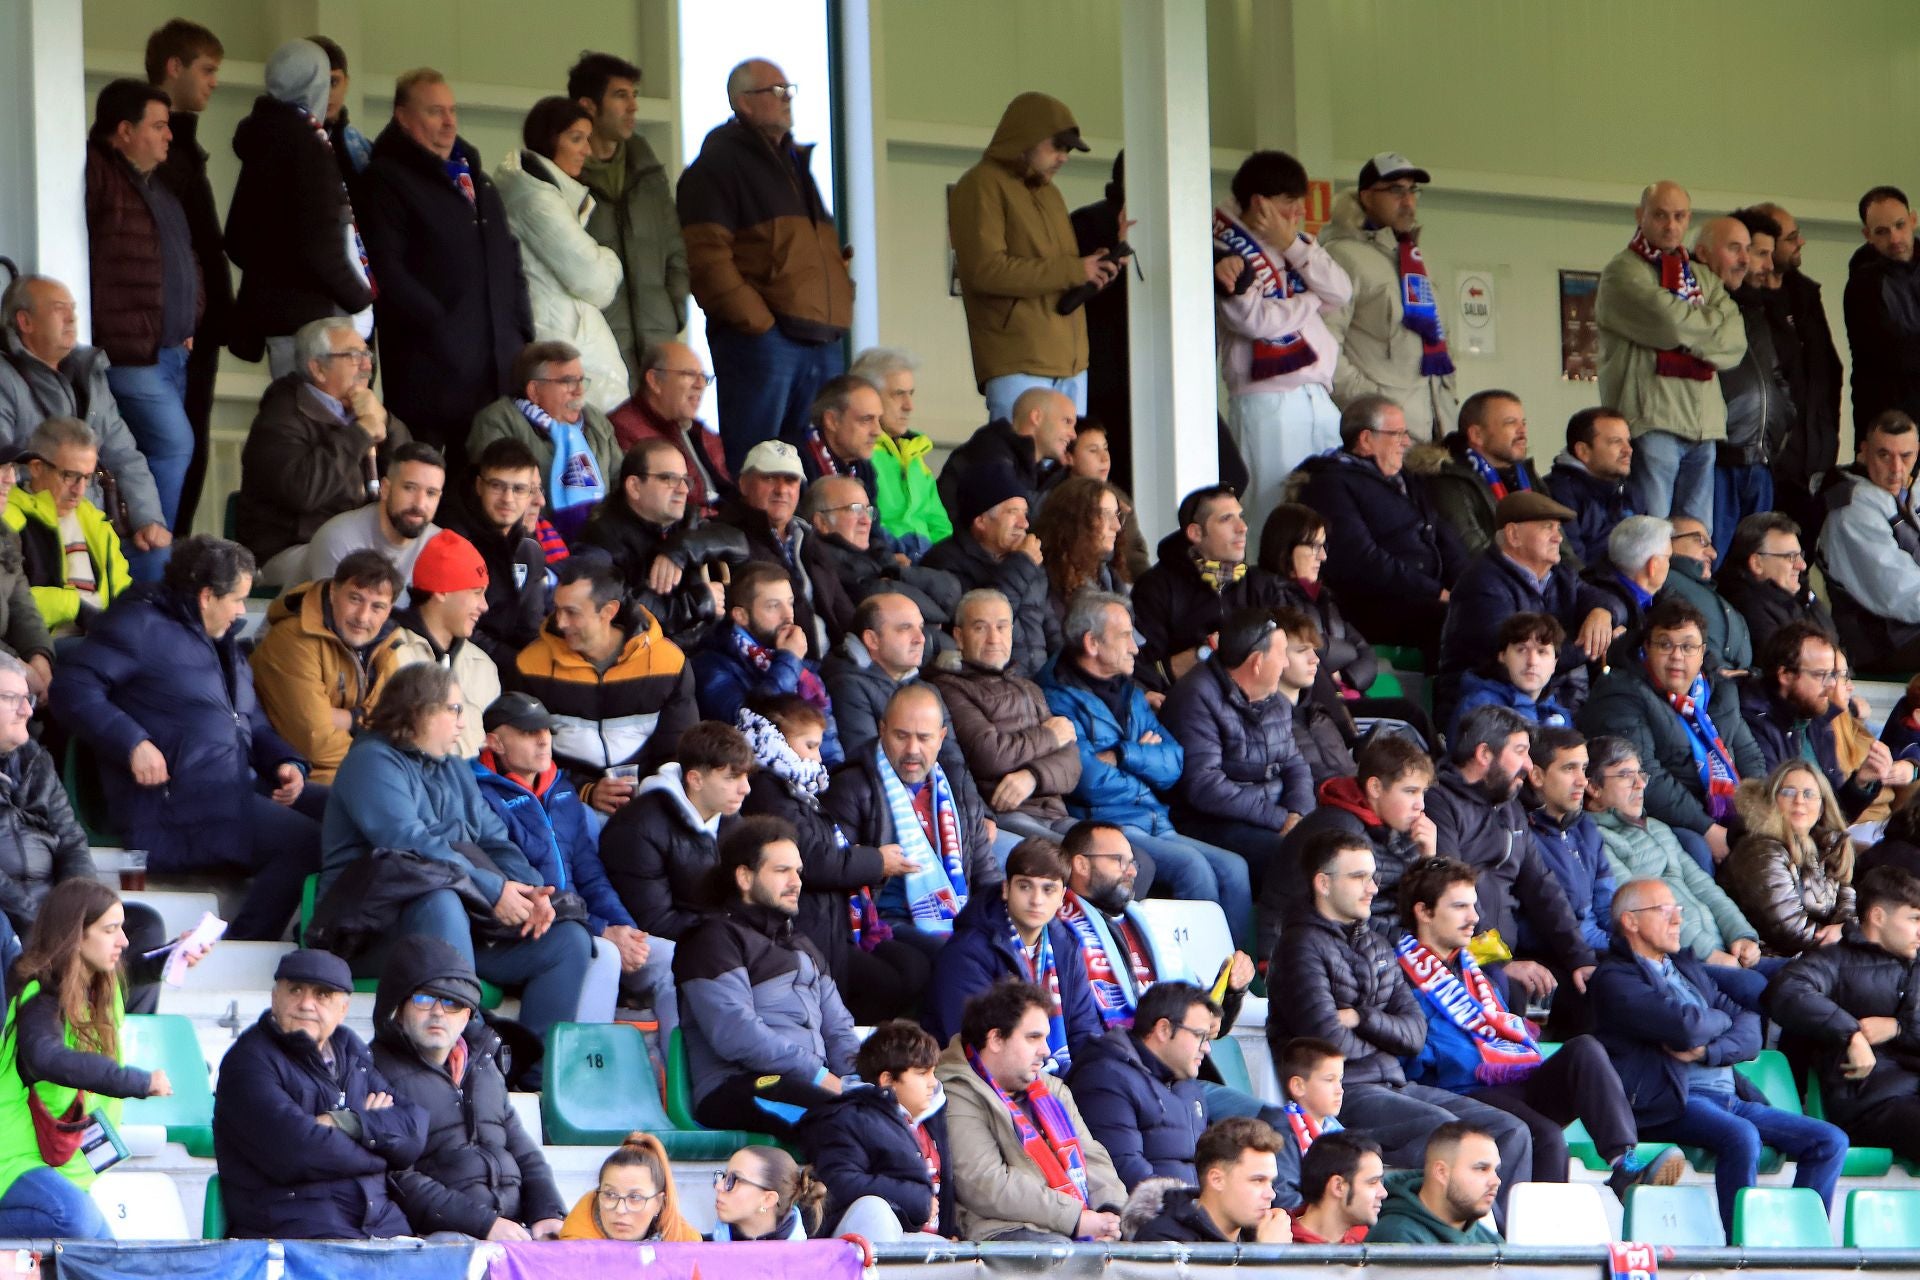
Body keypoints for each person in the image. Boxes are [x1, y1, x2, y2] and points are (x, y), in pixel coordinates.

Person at [55, 536, 323, 940]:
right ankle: (239, 946)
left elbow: (251, 722)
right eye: (236, 600)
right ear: (205, 596)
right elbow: (71, 688)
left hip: (232, 786)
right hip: (179, 803)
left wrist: (285, 762)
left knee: (341, 813)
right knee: (306, 843)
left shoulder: (224, 644)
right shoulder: (139, 625)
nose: (240, 613)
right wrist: (133, 743)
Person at [319, 663, 597, 1048]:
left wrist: (532, 893)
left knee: (567, 939)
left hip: (461, 924)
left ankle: (534, 1079)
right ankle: (474, 1050)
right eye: (453, 710)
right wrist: (493, 890)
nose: (462, 724)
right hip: (369, 930)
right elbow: (409, 843)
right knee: (438, 898)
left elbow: (495, 840)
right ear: (418, 711)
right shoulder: (370, 761)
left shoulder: (453, 767)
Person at [1264, 829, 1533, 1200]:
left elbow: (1415, 1035)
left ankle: (1496, 1243)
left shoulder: (1375, 943)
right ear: (1323, 884)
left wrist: (1363, 1018)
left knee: (1510, 1130)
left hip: (1394, 1084)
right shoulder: (1299, 947)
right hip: (1346, 1093)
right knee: (1449, 1135)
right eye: (1358, 877)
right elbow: (1328, 1042)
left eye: (1373, 876)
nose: (1372, 888)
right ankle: (1447, 1244)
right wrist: (1384, 1033)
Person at [1396, 856, 1680, 1194]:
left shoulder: (1477, 972)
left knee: (1585, 1050)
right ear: (1423, 912)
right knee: (1546, 1137)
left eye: (1474, 905)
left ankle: (1623, 1163)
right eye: (1460, 907)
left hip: (1509, 1084)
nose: (1474, 917)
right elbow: (1410, 1053)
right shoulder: (1399, 975)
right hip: (1459, 1093)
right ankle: (1545, 1243)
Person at [1589, 877, 1848, 1230]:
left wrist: (1707, 1051)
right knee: (1741, 1135)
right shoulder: (1615, 977)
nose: (1677, 920)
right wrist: (1719, 1019)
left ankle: (1799, 1243)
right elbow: (1685, 1027)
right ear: (1631, 921)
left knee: (1830, 1140)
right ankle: (1742, 1250)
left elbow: (1750, 1031)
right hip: (1673, 1099)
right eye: (1665, 911)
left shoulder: (1684, 968)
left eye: (1677, 910)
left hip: (1729, 1096)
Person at [1038, 592, 1254, 951]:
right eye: (1124, 636)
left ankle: (1236, 980)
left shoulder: (1131, 693)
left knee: (1235, 869)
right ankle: (1196, 983)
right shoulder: (1057, 696)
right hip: (1109, 824)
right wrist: (1144, 758)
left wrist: (1124, 754)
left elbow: (1174, 764)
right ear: (1092, 643)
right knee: (1193, 868)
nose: (1136, 648)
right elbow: (1088, 780)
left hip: (1155, 821)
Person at [678, 59, 851, 472]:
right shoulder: (717, 166)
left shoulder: (794, 165)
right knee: (756, 463)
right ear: (743, 103)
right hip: (763, 342)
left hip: (819, 338)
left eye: (788, 89)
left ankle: (802, 538)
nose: (787, 99)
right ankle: (753, 538)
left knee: (811, 466)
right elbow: (706, 258)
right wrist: (758, 324)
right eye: (775, 91)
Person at [357, 68, 532, 454]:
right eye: (436, 111)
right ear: (403, 117)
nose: (449, 121)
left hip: (497, 368)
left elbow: (510, 260)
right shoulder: (386, 181)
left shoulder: (478, 181)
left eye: (452, 110)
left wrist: (522, 332)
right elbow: (387, 270)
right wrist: (442, 324)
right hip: (430, 374)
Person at [738, 695, 930, 1021]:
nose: (817, 756)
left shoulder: (796, 789)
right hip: (806, 931)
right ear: (777, 740)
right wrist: (876, 862)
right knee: (889, 985)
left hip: (831, 926)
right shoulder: (769, 790)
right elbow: (812, 860)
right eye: (809, 745)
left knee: (913, 969)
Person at [212, 949, 427, 1239]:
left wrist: (348, 1123)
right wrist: (382, 1150)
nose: (306, 1004)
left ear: (343, 1010)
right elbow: (297, 1151)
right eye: (296, 990)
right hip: (296, 1229)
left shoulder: (352, 1053)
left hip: (380, 1223)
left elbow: (414, 1130)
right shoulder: (249, 1061)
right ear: (275, 997)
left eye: (322, 995)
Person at [0, 882, 173, 1239]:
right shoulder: (41, 996)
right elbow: (47, 1057)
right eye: (110, 930)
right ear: (76, 935)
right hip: (11, 1154)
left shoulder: (98, 985)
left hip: (51, 1156)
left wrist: (178, 953)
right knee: (74, 1220)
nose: (123, 940)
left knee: (105, 1254)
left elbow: (138, 969)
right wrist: (135, 1082)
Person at [672, 815, 860, 1139]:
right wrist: (818, 1077)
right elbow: (736, 1033)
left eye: (798, 871)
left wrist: (855, 1081)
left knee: (893, 1107)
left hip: (805, 1081)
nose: (796, 882)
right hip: (737, 1086)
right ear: (745, 877)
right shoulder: (712, 939)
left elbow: (839, 1028)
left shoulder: (803, 946)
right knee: (837, 1118)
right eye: (781, 870)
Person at [370, 935, 565, 1241]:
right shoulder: (375, 1072)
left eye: (452, 1002)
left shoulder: (484, 1068)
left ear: (466, 1016)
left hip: (511, 1228)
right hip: (436, 1236)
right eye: (424, 999)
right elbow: (396, 1178)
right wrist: (485, 1224)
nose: (438, 1012)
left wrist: (547, 1211)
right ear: (400, 1007)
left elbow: (524, 1152)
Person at [86, 77, 204, 576]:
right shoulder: (99, 174)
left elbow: (184, 259)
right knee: (175, 445)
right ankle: (148, 572)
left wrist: (190, 314)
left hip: (172, 352)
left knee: (155, 456)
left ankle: (138, 565)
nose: (169, 136)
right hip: (132, 355)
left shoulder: (155, 188)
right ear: (124, 131)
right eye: (158, 126)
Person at [474, 693, 653, 1016]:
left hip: (578, 922)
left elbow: (590, 873)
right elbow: (524, 888)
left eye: (546, 732)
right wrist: (602, 930)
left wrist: (623, 926)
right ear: (495, 742)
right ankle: (572, 1061)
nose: (544, 741)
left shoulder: (563, 789)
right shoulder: (479, 793)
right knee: (604, 953)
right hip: (522, 932)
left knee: (669, 959)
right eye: (529, 733)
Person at [1214, 149, 1351, 529]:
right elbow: (1254, 320)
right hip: (1266, 400)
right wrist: (1310, 300)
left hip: (1319, 395)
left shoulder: (1297, 242)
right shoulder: (1224, 246)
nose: (1298, 212)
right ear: (1259, 203)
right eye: (1289, 202)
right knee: (1269, 511)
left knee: (1328, 508)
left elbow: (1340, 291)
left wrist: (1291, 245)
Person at [950, 93, 1108, 423]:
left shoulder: (1051, 194)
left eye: (1068, 150)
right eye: (1057, 146)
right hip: (1018, 361)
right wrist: (1074, 270)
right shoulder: (980, 185)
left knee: (1065, 472)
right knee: (1021, 467)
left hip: (1071, 362)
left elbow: (1058, 271)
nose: (1063, 157)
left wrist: (1091, 271)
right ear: (1027, 139)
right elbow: (986, 271)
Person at [1596, 181, 1748, 521]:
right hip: (1653, 423)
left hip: (1704, 426)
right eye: (1660, 215)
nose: (1671, 225)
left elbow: (1735, 342)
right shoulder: (1623, 272)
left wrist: (1689, 327)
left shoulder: (1701, 277)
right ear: (1640, 216)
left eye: (1679, 216)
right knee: (1652, 537)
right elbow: (1670, 326)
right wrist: (1708, 326)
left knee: (1696, 542)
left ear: (1688, 218)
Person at [222, 38, 374, 377]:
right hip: (318, 324)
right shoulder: (307, 146)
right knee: (323, 422)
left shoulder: (265, 143)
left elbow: (237, 239)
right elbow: (320, 242)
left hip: (280, 321)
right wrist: (361, 298)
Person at [936, 978, 1127, 1242]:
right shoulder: (956, 1090)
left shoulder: (1053, 1089)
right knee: (1062, 1255)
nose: (1046, 1051)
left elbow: (1092, 1156)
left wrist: (1110, 1214)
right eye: (1033, 1038)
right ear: (995, 1039)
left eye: (1046, 1038)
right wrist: (1074, 1219)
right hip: (1002, 1231)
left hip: (1074, 1222)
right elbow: (984, 1182)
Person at [1426, 706, 1596, 1002]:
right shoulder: (1439, 804)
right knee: (1509, 990)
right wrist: (1498, 964)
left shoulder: (1510, 808)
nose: (1529, 766)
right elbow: (1447, 895)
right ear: (1484, 755)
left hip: (1506, 954)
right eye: (1520, 752)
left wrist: (1580, 958)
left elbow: (1542, 888)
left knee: (1593, 988)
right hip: (1463, 958)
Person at [1578, 596, 1764, 861]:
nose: (1677, 656)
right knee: (1696, 848)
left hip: (1729, 812)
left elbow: (1748, 754)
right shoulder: (1620, 693)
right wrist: (1707, 829)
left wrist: (1760, 814)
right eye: (1665, 645)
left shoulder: (1719, 691)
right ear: (1647, 647)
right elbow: (1646, 777)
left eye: (1688, 647)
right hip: (1671, 820)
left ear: (1702, 653)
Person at [510, 556, 697, 812]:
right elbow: (522, 756)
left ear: (608, 611)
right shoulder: (532, 665)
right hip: (564, 798)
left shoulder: (667, 662)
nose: (560, 622)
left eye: (572, 613)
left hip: (649, 798)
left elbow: (679, 750)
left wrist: (649, 791)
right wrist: (585, 790)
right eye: (557, 609)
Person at [0, 274, 168, 556]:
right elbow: (3, 465)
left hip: (102, 529)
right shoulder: (5, 378)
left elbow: (124, 455)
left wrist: (148, 519)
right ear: (25, 322)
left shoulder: (90, 375)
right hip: (37, 533)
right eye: (58, 309)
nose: (71, 318)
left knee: (159, 556)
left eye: (72, 309)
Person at [822, 683, 999, 946]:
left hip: (959, 918)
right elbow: (832, 867)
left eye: (924, 738)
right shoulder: (852, 785)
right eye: (901, 736)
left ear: (941, 738)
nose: (913, 749)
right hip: (885, 922)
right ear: (882, 731)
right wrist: (876, 865)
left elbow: (986, 875)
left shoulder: (957, 786)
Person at [235, 317, 410, 582]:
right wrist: (361, 433)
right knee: (347, 564)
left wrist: (385, 422)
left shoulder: (365, 409)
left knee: (429, 549)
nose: (366, 365)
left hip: (361, 545)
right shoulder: (281, 416)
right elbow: (303, 490)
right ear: (318, 368)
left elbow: (410, 470)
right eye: (353, 356)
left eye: (367, 354)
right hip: (292, 549)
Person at [1769, 865, 1920, 1161]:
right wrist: (1851, 1033)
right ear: (1878, 916)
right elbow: (1785, 990)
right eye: (1914, 919)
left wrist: (1899, 1028)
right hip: (1872, 1103)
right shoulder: (1834, 961)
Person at [1586, 734, 1764, 983]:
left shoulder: (1658, 828)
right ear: (1593, 787)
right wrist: (1710, 953)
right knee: (1756, 987)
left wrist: (1741, 936)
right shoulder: (1596, 839)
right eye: (1626, 775)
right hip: (1683, 962)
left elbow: (1704, 887)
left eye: (1641, 774)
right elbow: (1645, 913)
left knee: (1794, 975)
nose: (1640, 784)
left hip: (1724, 951)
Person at [1295, 395, 1466, 648]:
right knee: (1462, 623)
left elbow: (1445, 537)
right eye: (1397, 434)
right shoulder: (1330, 484)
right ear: (1366, 439)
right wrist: (1434, 592)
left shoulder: (1407, 478)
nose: (1406, 442)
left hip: (1429, 595)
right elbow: (1362, 559)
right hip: (1378, 605)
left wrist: (1470, 586)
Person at [1162, 606, 1316, 888]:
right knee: (1299, 858)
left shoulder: (1276, 701)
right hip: (1212, 822)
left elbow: (1296, 765)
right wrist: (1279, 819)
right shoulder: (1195, 697)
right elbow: (1205, 785)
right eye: (1281, 655)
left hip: (1272, 815)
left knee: (1339, 845)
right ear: (1257, 662)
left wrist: (1299, 814)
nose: (1284, 664)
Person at [146, 19, 228, 537]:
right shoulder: (161, 159)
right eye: (207, 69)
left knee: (190, 443)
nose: (214, 82)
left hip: (200, 325)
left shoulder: (184, 150)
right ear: (173, 68)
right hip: (179, 332)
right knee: (178, 447)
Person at [495, 98, 628, 413]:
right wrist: (609, 257)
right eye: (576, 138)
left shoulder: (546, 195)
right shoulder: (536, 200)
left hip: (565, 335)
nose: (588, 150)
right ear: (549, 138)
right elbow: (597, 283)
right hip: (560, 339)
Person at [566, 53, 686, 399]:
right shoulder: (564, 177)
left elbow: (675, 249)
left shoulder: (646, 169)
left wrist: (673, 310)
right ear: (588, 106)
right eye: (621, 96)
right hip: (597, 350)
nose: (633, 106)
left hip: (658, 343)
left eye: (634, 95)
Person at [924, 838, 1101, 1066]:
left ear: (1061, 897)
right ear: (1006, 889)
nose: (1037, 900)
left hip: (1054, 1079)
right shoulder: (967, 951)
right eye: (1025, 886)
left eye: (1048, 889)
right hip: (983, 1083)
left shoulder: (1066, 947)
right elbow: (973, 1045)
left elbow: (1084, 1032)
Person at [1322, 153, 1458, 442]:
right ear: (1367, 197)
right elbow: (1325, 347)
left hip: (1436, 429)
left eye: (1412, 191)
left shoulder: (1415, 257)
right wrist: (1373, 407)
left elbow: (1440, 339)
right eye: (1396, 190)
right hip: (1381, 433)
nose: (1408, 201)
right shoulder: (1341, 255)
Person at [928, 588, 1083, 841]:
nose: (993, 638)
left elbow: (1073, 762)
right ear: (959, 636)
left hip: (1055, 813)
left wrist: (1033, 776)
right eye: (980, 628)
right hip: (1007, 815)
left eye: (1002, 627)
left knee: (1134, 861)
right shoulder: (949, 686)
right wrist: (1049, 736)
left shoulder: (1030, 687)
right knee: (1086, 861)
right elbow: (990, 753)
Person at [1259, 735, 1436, 956]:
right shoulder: (1340, 830)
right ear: (1375, 787)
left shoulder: (1405, 826)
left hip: (1365, 943)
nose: (1420, 805)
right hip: (1298, 952)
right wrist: (1414, 942)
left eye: (1422, 793)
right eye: (1410, 791)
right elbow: (1343, 917)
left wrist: (1428, 860)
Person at [1436, 492, 1614, 711]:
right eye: (1547, 527)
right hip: (1490, 709)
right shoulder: (1481, 583)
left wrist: (1602, 613)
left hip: (1546, 700)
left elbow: (1606, 599)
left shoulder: (1560, 575)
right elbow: (1516, 661)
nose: (1558, 537)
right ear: (1513, 535)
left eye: (1558, 528)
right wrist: (1593, 644)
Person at [249, 550, 407, 783]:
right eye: (355, 599)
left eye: (377, 607)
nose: (363, 617)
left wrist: (351, 719)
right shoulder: (293, 639)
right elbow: (315, 741)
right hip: (305, 779)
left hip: (359, 774)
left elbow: (397, 722)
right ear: (333, 592)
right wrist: (383, 760)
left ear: (389, 610)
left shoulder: (384, 644)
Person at [577, 439, 745, 649]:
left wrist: (681, 548)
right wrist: (700, 602)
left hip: (705, 647)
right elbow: (633, 612)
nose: (684, 489)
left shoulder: (686, 519)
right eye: (669, 479)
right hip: (650, 659)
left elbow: (740, 546)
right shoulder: (603, 536)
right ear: (635, 487)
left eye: (685, 480)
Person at [797, 1020, 953, 1242]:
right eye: (922, 1073)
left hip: (925, 1241)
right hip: (870, 1246)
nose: (932, 1084)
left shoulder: (930, 1120)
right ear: (888, 1080)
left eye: (933, 1073)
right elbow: (842, 1183)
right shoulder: (848, 1118)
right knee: (874, 1209)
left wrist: (950, 1229)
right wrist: (917, 1200)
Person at [1742, 621, 1908, 822]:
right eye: (1821, 675)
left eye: (1833, 675)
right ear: (1785, 675)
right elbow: (1775, 819)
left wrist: (1861, 781)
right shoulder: (1755, 726)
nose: (1831, 685)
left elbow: (1835, 816)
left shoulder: (1816, 720)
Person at [1132, 485, 1289, 691]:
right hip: (1190, 709)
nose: (1242, 527)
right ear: (1196, 532)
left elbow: (1294, 656)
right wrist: (1207, 651)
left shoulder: (1262, 584)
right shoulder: (1155, 588)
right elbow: (1144, 672)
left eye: (1240, 516)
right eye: (1226, 519)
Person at [466, 342, 620, 543]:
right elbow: (499, 497)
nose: (579, 391)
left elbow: (622, 483)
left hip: (602, 541)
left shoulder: (596, 421)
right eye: (568, 382)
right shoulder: (498, 421)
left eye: (581, 381)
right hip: (531, 542)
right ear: (534, 391)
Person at [1067, 981, 1216, 1189]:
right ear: (1164, 1029)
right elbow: (1123, 1169)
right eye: (1200, 1036)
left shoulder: (1189, 1088)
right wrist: (1189, 1211)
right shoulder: (1106, 1078)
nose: (1207, 1048)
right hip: (1148, 1216)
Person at [1750, 201, 1842, 525]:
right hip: (1769, 466)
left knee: (1800, 565)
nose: (1800, 242)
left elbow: (1830, 374)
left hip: (1815, 464)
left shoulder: (1805, 296)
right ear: (1765, 247)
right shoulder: (1744, 304)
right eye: (1791, 238)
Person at [717, 438, 854, 657]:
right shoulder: (726, 534)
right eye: (769, 478)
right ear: (744, 484)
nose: (781, 490)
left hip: (832, 663)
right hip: (771, 664)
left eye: (791, 480)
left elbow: (842, 608)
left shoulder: (807, 537)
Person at [922, 467, 1058, 676]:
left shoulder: (1026, 559)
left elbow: (1050, 626)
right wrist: (1021, 564)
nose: (1024, 523)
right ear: (981, 521)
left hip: (1037, 685)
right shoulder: (945, 561)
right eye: (1012, 513)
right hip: (988, 684)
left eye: (1025, 513)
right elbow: (984, 616)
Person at [1711, 211, 1793, 558]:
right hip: (1721, 459)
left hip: (1760, 459)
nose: (1758, 264)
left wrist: (1785, 415)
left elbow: (1774, 375)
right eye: (1749, 253)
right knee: (1717, 557)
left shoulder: (1757, 312)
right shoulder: (1706, 305)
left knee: (1760, 561)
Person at [7, 417, 131, 636]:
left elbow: (122, 591)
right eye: (70, 476)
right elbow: (9, 600)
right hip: (44, 644)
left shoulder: (95, 522)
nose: (80, 490)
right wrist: (75, 607)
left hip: (100, 641)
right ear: (36, 467)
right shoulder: (9, 518)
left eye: (87, 477)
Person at [805, 475, 963, 646]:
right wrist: (932, 621)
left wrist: (896, 574)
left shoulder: (878, 554)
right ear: (821, 522)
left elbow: (948, 588)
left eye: (868, 510)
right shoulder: (828, 567)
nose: (866, 520)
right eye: (855, 509)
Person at [1818, 410, 1920, 670]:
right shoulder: (1851, 507)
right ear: (1864, 451)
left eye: (1905, 456)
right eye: (1884, 455)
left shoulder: (1901, 495)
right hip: (1884, 644)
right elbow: (1901, 595)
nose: (1896, 469)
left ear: (1917, 452)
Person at [1723, 762, 1856, 958]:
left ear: (1821, 808)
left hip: (1816, 953)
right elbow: (1788, 929)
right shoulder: (1760, 849)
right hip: (1772, 957)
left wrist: (1845, 928)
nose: (1799, 801)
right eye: (1788, 792)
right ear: (1772, 801)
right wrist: (1844, 938)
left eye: (1809, 794)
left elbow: (1846, 897)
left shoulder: (1828, 845)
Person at [432, 438, 547, 665]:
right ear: (479, 486)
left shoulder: (529, 548)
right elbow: (451, 625)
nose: (508, 498)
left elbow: (530, 626)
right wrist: (514, 662)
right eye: (497, 486)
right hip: (455, 661)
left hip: (510, 663)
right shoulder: (452, 539)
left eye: (519, 489)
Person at [692, 561, 834, 740]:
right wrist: (789, 660)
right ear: (741, 616)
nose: (788, 615)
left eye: (790, 603)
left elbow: (828, 739)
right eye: (773, 606)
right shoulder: (709, 665)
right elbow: (752, 725)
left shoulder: (792, 660)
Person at [390, 531, 500, 759]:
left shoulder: (483, 666)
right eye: (477, 592)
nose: (485, 606)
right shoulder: (388, 654)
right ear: (441, 591)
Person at [1420, 390, 1556, 560]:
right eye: (1510, 423)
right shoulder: (1450, 479)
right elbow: (1474, 555)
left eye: (1524, 423)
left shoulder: (1526, 474)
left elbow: (1559, 544)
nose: (1522, 432)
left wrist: (1577, 583)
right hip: (1497, 583)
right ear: (1477, 435)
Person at [1524, 726, 1618, 975]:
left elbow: (1607, 905)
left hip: (1598, 950)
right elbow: (1559, 925)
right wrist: (1625, 948)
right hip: (1559, 962)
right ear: (1537, 776)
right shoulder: (1521, 833)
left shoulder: (1586, 828)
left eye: (1584, 769)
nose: (1583, 781)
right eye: (1569, 768)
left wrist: (1630, 941)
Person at [606, 341, 732, 515]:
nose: (700, 384)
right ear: (655, 381)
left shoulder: (694, 428)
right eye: (689, 374)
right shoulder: (624, 429)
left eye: (704, 377)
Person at [305, 441, 446, 587]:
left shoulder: (442, 547)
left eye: (431, 493)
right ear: (384, 489)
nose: (420, 504)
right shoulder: (340, 538)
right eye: (409, 488)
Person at [850, 347, 950, 554]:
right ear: (869, 396)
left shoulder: (916, 453)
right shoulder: (858, 453)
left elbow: (939, 524)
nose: (909, 406)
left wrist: (943, 560)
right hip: (887, 555)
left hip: (928, 557)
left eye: (911, 394)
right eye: (898, 394)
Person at [1132, 1116, 1291, 1245]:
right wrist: (1266, 1257)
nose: (1271, 1194)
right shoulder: (1161, 1240)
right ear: (1217, 1179)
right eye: (1258, 1180)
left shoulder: (1263, 1234)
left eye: (1271, 1182)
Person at [817, 589, 930, 762]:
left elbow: (952, 759)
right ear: (872, 640)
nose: (920, 638)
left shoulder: (926, 688)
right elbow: (868, 763)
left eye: (920, 628)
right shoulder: (846, 686)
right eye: (905, 628)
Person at [936, 389, 1077, 525]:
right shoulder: (990, 453)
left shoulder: (1029, 465)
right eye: (1067, 422)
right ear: (1036, 417)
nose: (1073, 435)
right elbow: (1013, 520)